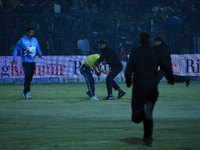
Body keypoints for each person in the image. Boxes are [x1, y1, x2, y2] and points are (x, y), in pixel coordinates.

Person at [125, 32, 174, 147]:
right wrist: (171, 79)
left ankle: (143, 113)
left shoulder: (135, 53)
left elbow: (128, 71)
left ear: (139, 42)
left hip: (139, 87)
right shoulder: (155, 53)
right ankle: (148, 139)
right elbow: (166, 67)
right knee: (149, 114)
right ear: (150, 41)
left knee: (136, 117)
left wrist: (128, 82)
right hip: (152, 87)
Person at [12, 27, 42, 99]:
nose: (32, 33)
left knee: (30, 76)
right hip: (25, 61)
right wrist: (14, 58)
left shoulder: (35, 40)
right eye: (31, 32)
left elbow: (37, 47)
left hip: (33, 61)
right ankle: (28, 92)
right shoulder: (22, 40)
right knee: (27, 74)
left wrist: (40, 53)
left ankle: (24, 91)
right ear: (27, 33)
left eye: (33, 32)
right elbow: (16, 50)